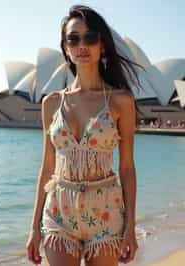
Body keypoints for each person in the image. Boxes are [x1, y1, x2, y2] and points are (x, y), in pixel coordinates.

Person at [26, 5, 141, 266]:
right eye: (73, 38)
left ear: (102, 45)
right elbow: (47, 167)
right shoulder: (52, 103)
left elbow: (127, 167)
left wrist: (130, 226)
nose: (82, 45)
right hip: (59, 212)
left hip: (106, 211)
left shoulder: (121, 101)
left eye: (90, 37)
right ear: (66, 47)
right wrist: (33, 228)